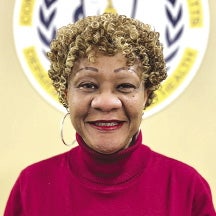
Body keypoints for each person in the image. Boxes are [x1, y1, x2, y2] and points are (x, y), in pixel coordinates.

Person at [4, 13, 216, 216]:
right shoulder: (31, 187)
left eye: (124, 86)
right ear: (66, 94)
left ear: (146, 95)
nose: (106, 103)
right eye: (88, 85)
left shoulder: (187, 188)